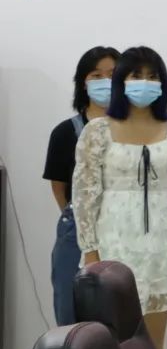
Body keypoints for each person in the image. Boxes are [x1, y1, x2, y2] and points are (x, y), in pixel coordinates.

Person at [72, 46, 167, 349]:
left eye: (153, 76)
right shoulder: (97, 131)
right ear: (121, 81)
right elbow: (85, 194)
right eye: (136, 75)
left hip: (162, 246)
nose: (145, 82)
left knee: (152, 347)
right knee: (111, 343)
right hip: (112, 242)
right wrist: (90, 251)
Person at [43, 45, 119, 325]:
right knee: (71, 313)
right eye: (96, 75)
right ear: (83, 83)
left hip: (123, 228)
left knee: (117, 315)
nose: (105, 81)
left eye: (112, 74)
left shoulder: (135, 131)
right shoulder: (65, 132)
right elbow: (59, 185)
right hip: (76, 231)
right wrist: (82, 219)